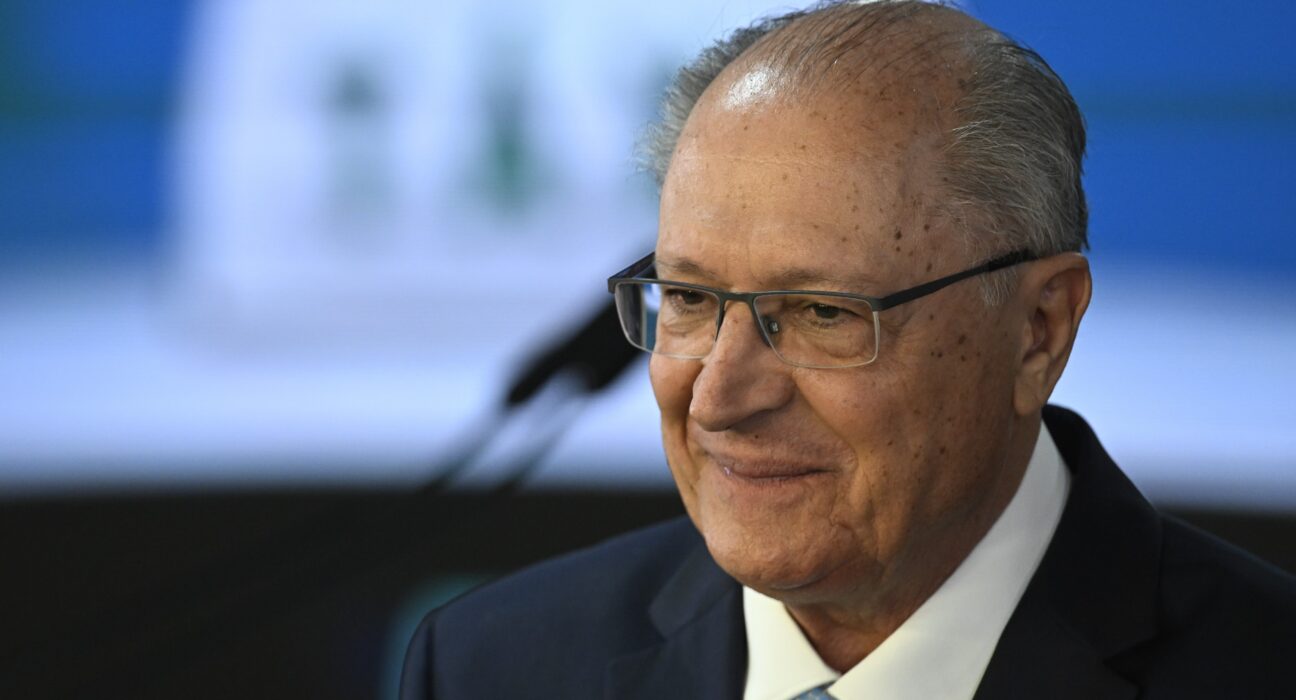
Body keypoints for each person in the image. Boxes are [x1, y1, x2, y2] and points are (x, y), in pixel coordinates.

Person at [401, 2, 1296, 697]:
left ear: (1039, 330)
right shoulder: (491, 666)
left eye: (822, 313)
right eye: (690, 299)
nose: (719, 398)